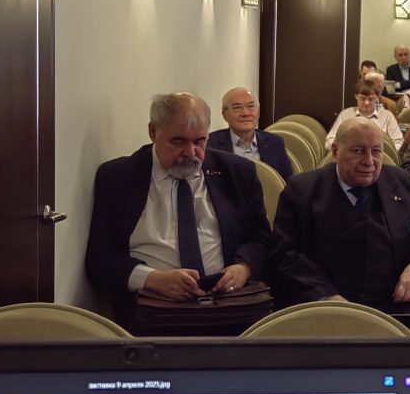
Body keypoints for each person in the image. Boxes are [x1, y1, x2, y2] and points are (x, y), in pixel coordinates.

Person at [85, 92, 273, 332]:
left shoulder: (237, 172)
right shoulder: (119, 177)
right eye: (178, 142)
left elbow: (262, 239)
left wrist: (244, 268)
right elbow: (100, 258)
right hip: (153, 313)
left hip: (229, 307)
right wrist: (151, 279)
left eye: (199, 141)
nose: (191, 153)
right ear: (153, 132)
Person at [269, 118, 410, 315]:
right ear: (335, 151)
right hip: (323, 307)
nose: (369, 161)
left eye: (376, 151)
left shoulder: (399, 182)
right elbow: (283, 256)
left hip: (397, 306)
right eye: (358, 151)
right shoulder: (302, 190)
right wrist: (325, 296)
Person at [206, 86, 293, 180]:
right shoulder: (210, 144)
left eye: (251, 106)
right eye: (237, 108)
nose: (246, 113)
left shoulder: (275, 143)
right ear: (225, 115)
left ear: (258, 113)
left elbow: (287, 183)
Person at [327, 80, 403, 151]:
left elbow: (399, 142)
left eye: (371, 99)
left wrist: (383, 152)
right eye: (363, 99)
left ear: (377, 98)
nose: (366, 103)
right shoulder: (346, 114)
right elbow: (330, 140)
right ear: (356, 96)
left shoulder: (387, 116)